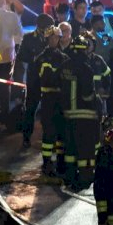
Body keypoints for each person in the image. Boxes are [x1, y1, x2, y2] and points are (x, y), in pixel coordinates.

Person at [60, 34, 101, 188]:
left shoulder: (64, 67)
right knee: (85, 148)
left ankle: (70, 175)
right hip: (85, 114)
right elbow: (87, 94)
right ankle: (85, 177)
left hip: (68, 114)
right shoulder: (86, 68)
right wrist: (96, 100)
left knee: (70, 147)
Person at [35, 26, 69, 175]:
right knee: (49, 131)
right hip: (48, 99)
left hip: (61, 99)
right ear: (47, 39)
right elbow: (47, 77)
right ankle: (47, 162)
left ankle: (61, 161)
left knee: (61, 131)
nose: (55, 40)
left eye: (57, 38)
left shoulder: (64, 57)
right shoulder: (41, 58)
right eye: (52, 38)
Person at [17, 14, 54, 147]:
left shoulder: (53, 37)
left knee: (50, 109)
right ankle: (26, 137)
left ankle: (49, 137)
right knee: (30, 108)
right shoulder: (28, 38)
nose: (47, 30)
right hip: (34, 78)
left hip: (50, 79)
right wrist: (35, 57)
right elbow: (21, 56)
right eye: (46, 27)